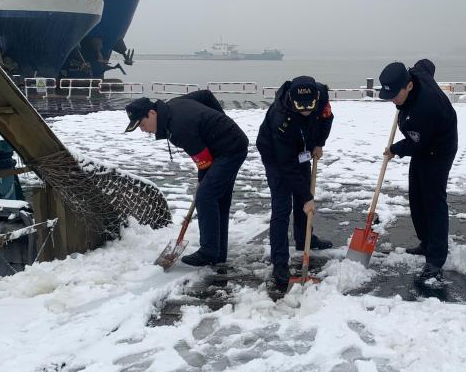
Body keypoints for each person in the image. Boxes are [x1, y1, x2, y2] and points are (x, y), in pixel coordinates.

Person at [124, 90, 249, 266]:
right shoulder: (172, 104)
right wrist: (222, 122)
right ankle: (218, 253)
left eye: (142, 125)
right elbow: (205, 95)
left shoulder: (178, 129)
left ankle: (208, 252)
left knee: (205, 196)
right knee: (218, 198)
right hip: (228, 143)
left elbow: (205, 163)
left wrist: (222, 125)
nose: (143, 130)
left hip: (230, 150)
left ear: (152, 113)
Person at [379, 60, 458, 281]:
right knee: (416, 194)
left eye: (395, 95)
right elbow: (427, 65)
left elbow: (415, 145)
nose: (392, 100)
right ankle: (426, 241)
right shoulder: (416, 74)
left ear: (409, 86)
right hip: (423, 142)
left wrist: (394, 149)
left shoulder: (425, 109)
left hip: (439, 149)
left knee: (433, 201)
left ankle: (436, 259)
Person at [256, 76, 334, 285]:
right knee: (282, 206)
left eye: (310, 107)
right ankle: (280, 261)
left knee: (303, 193)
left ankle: (304, 238)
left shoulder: (322, 95)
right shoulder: (280, 118)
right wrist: (308, 197)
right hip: (276, 155)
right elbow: (287, 166)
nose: (306, 111)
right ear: (292, 100)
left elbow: (327, 118)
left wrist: (319, 143)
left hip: (302, 147)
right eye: (301, 107)